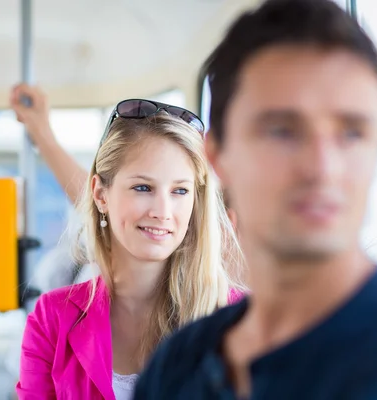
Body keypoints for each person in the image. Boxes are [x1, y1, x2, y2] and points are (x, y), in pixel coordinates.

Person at [133, 0, 377, 398]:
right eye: (282, 131)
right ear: (217, 155)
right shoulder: (176, 368)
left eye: (352, 133)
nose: (323, 168)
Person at [15, 98, 244, 399]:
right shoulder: (51, 320)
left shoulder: (240, 320)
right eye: (143, 188)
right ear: (100, 194)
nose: (162, 211)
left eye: (179, 191)